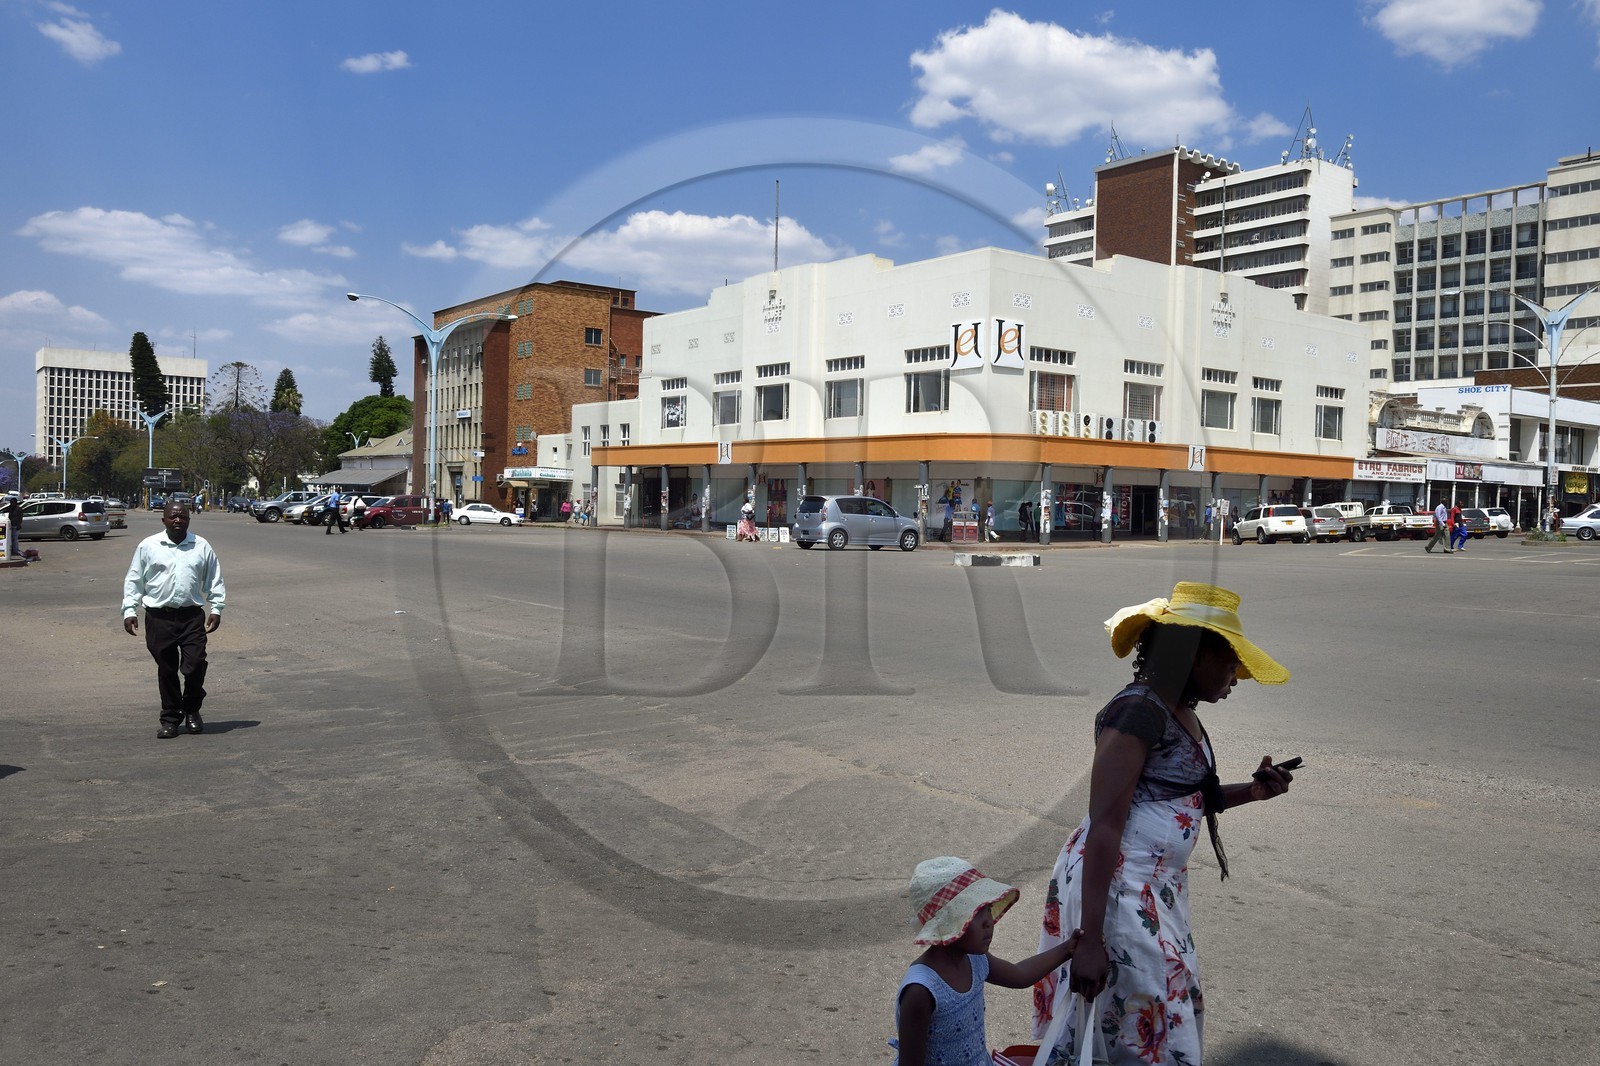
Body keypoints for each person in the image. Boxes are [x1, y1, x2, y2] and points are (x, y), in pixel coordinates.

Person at [1031, 581, 1295, 1066]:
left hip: (1155, 891)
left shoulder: (1180, 709)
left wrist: (1254, 790)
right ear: (1194, 656)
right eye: (1229, 660)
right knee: (1137, 1017)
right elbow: (1105, 826)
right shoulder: (1138, 712)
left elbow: (1187, 796)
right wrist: (1089, 941)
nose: (1236, 675)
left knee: (1155, 1010)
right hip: (1118, 890)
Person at [892, 857, 1082, 1066]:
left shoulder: (975, 960)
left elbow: (1020, 975)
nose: (988, 922)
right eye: (975, 913)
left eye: (987, 909)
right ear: (947, 924)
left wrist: (1067, 949)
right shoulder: (921, 990)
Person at [122, 502, 226, 740]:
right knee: (167, 669)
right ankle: (170, 718)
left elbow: (214, 579)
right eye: (173, 516)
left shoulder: (201, 545)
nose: (178, 520)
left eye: (183, 517)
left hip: (191, 616)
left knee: (195, 664)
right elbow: (134, 580)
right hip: (159, 617)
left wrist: (217, 608)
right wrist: (129, 610)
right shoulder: (148, 546)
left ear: (189, 520)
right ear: (164, 520)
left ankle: (192, 710)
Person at [4, 490, 21, 559]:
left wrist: (18, 525)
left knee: (15, 539)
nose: (11, 504)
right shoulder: (11, 508)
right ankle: (12, 550)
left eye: (13, 503)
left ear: (15, 503)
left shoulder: (19, 509)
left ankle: (16, 550)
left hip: (16, 526)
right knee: (11, 539)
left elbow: (20, 517)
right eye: (11, 503)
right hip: (11, 526)